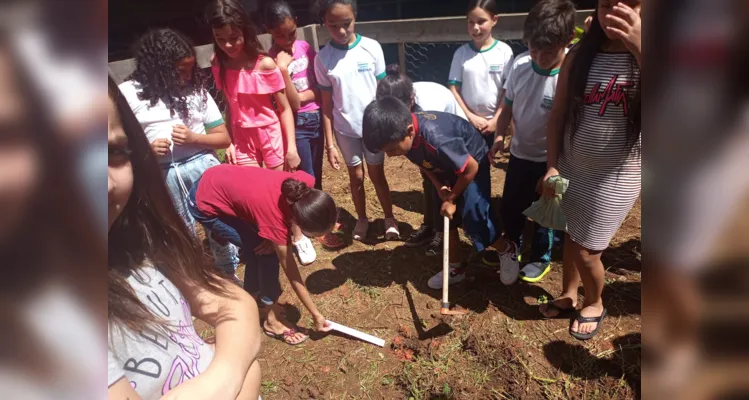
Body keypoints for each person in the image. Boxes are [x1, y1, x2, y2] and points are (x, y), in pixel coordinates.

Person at [108, 77, 262, 399]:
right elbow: (243, 349)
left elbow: (236, 304)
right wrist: (241, 370)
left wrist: (228, 372)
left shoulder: (137, 242)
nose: (106, 184)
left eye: (115, 151)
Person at [539, 0, 641, 340]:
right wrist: (552, 165)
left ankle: (595, 302)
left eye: (630, 3)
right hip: (572, 167)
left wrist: (644, 49)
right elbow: (558, 117)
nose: (614, 12)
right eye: (606, 4)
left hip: (616, 176)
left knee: (587, 249)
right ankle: (570, 293)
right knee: (570, 232)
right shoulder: (579, 55)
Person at [118, 28, 239, 277]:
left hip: (203, 167)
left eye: (190, 70)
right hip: (161, 174)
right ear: (158, 68)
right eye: (179, 71)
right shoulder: (128, 94)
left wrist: (195, 138)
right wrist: (145, 151)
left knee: (218, 224)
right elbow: (114, 144)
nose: (187, 77)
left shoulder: (196, 90)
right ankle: (194, 277)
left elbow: (224, 138)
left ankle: (228, 272)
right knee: (178, 231)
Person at [363, 97, 501, 289]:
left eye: (393, 149)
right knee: (443, 219)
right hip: (443, 164)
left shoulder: (437, 139)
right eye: (386, 151)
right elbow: (424, 164)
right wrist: (439, 188)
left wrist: (452, 198)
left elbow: (470, 168)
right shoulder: (405, 137)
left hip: (471, 162)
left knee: (474, 216)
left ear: (410, 132)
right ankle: (455, 268)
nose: (390, 155)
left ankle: (506, 249)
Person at [188, 164, 335, 345]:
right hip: (203, 201)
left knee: (257, 247)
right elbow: (292, 275)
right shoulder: (275, 216)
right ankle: (272, 321)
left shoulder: (304, 185)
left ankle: (253, 299)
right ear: (296, 219)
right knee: (267, 255)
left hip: (219, 178)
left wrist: (270, 234)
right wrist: (316, 315)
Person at [487, 0, 576, 284]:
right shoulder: (521, 64)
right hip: (520, 152)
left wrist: (558, 165)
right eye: (533, 49)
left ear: (567, 42)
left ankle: (541, 256)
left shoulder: (570, 75)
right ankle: (510, 246)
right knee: (512, 205)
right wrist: (500, 134)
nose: (538, 57)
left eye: (547, 52)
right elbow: (507, 106)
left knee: (546, 213)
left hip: (553, 160)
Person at [314, 0, 400, 241]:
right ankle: (361, 219)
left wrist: (389, 125)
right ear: (324, 23)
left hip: (373, 128)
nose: (341, 31)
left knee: (377, 174)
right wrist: (330, 144)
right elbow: (327, 105)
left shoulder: (372, 48)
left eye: (346, 23)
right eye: (333, 25)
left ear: (355, 17)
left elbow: (384, 92)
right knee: (357, 177)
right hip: (345, 130)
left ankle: (389, 217)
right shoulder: (323, 59)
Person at [264, 0, 346, 252]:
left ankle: (315, 215)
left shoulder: (305, 47)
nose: (288, 39)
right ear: (269, 31)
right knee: (303, 177)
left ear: (296, 25)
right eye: (280, 35)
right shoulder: (270, 60)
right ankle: (310, 223)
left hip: (315, 120)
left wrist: (304, 97)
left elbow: (315, 88)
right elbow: (292, 104)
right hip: (295, 125)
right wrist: (283, 70)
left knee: (316, 172)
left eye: (291, 33)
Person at [376, 64, 466, 257]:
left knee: (444, 185)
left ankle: (443, 232)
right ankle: (429, 225)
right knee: (429, 181)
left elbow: (436, 145)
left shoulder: (427, 111)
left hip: (450, 142)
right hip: (428, 147)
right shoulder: (390, 102)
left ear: (410, 101)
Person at [206, 0, 298, 172]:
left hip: (269, 133)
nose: (227, 45)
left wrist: (291, 148)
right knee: (251, 189)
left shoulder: (265, 65)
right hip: (241, 136)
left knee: (277, 188)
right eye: (220, 38)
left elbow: (284, 108)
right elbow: (229, 105)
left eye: (233, 38)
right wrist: (229, 142)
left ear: (245, 32)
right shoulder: (218, 63)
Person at [448, 0, 514, 149]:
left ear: (494, 20)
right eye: (471, 22)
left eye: (481, 21)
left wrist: (496, 121)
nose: (475, 28)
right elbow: (454, 88)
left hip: (492, 124)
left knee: (485, 164)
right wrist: (470, 117)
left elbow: (508, 90)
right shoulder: (461, 53)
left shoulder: (504, 52)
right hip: (466, 123)